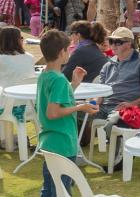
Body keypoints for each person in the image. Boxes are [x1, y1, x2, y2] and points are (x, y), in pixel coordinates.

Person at [37, 30, 100, 197]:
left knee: (49, 188)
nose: (70, 51)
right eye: (68, 48)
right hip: (63, 143)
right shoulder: (58, 79)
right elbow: (53, 112)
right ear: (61, 52)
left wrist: (74, 85)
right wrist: (80, 108)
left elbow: (58, 103)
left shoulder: (45, 75)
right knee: (62, 191)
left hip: (50, 141)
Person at [91, 27, 140, 149]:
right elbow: (100, 92)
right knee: (77, 114)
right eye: (111, 41)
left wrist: (133, 104)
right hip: (104, 106)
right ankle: (75, 153)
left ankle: (118, 157)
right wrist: (93, 103)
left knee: (114, 122)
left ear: (129, 43)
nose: (113, 45)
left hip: (126, 109)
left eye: (118, 42)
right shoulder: (108, 64)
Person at [0, 27, 35, 128]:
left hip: (6, 106)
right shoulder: (29, 57)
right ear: (17, 40)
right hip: (29, 106)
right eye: (21, 37)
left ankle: (5, 139)